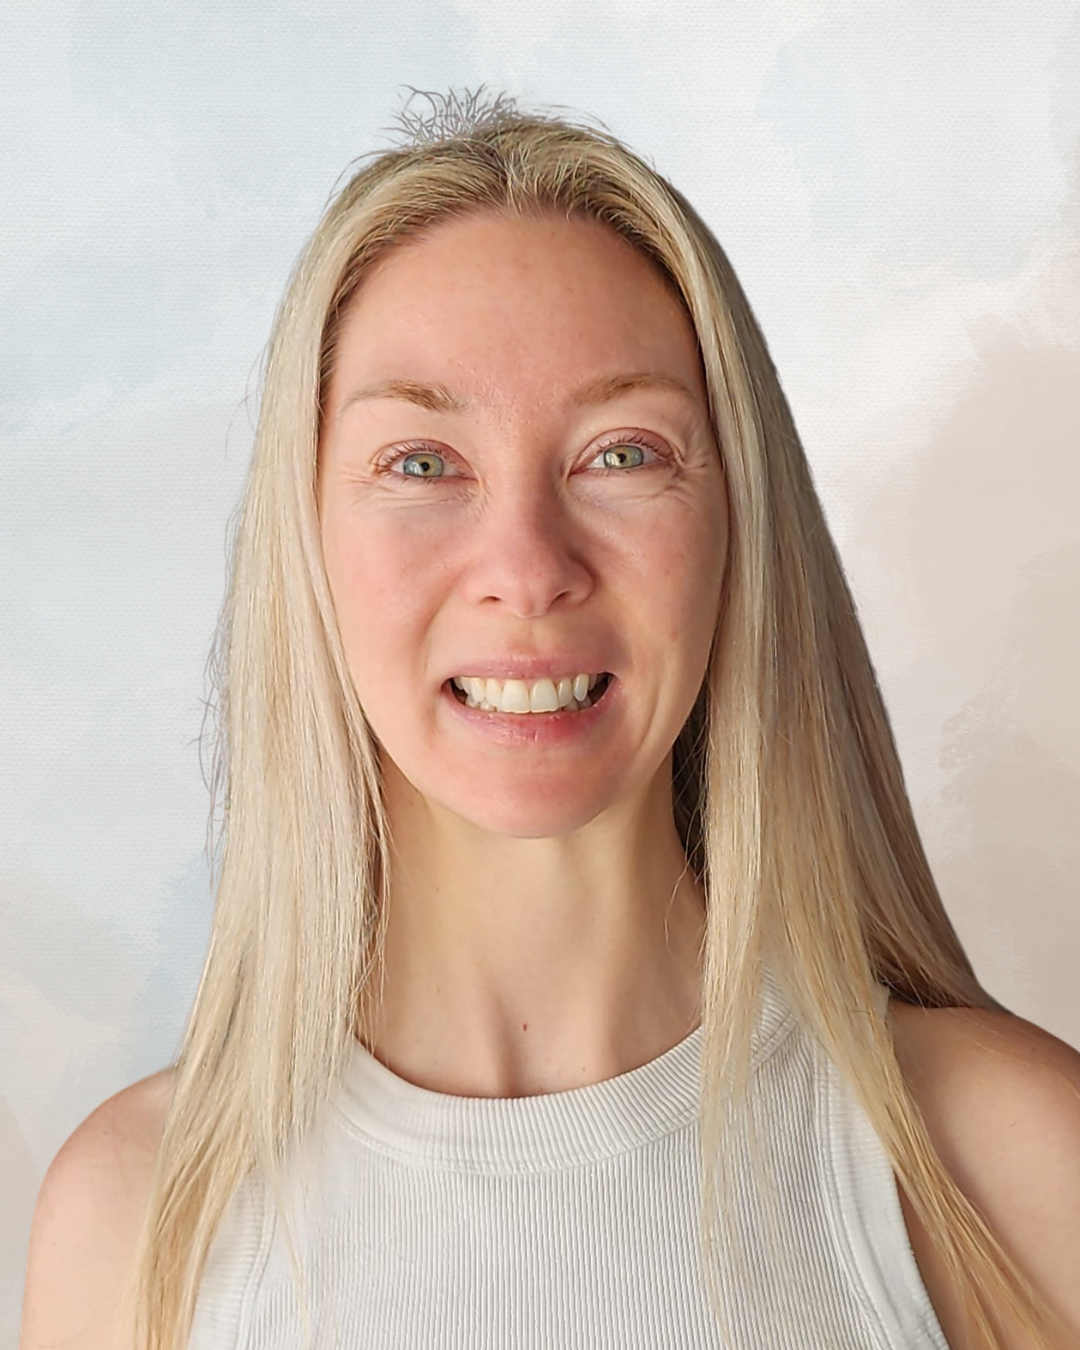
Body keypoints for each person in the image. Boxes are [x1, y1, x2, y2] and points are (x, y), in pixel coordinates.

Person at [18, 87, 1080, 1350]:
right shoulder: (140, 1224)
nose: (526, 567)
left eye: (623, 453)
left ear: (740, 528)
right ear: (305, 544)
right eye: (420, 463)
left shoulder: (1000, 1167)